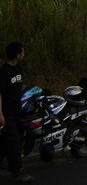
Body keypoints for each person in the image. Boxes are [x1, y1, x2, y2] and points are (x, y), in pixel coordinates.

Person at [0, 42, 33, 183]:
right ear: (17, 54)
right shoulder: (4, 72)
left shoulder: (19, 69)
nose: (24, 54)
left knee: (6, 141)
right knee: (13, 142)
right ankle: (17, 171)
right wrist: (0, 114)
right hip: (7, 113)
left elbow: (18, 88)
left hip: (17, 109)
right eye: (22, 52)